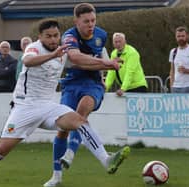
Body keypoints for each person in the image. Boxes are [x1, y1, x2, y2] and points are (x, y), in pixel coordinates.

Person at [0, 19, 130, 187]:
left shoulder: (63, 51)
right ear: (39, 37)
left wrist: (108, 64)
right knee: (0, 151)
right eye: (48, 36)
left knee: (79, 121)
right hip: (24, 108)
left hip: (47, 106)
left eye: (56, 36)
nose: (53, 40)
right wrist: (53, 55)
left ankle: (106, 159)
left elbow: (82, 64)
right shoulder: (34, 48)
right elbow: (28, 61)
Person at [44, 3, 122, 187]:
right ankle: (56, 177)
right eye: (86, 21)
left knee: (82, 111)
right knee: (63, 129)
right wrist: (106, 63)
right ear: (76, 21)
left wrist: (103, 73)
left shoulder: (101, 35)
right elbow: (76, 58)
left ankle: (70, 153)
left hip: (93, 84)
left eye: (93, 20)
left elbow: (101, 54)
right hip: (71, 83)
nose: (91, 24)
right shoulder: (69, 36)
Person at [105, 32, 148, 96]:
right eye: (116, 42)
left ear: (125, 41)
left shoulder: (132, 53)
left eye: (120, 41)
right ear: (113, 43)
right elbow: (111, 73)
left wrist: (123, 89)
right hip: (126, 88)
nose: (118, 44)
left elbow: (130, 72)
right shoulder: (113, 54)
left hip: (138, 87)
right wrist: (105, 88)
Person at [169, 26, 189, 93]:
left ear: (187, 36)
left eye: (183, 36)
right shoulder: (173, 51)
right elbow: (172, 71)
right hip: (176, 87)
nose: (180, 38)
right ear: (175, 37)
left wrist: (186, 70)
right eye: (178, 36)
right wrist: (171, 86)